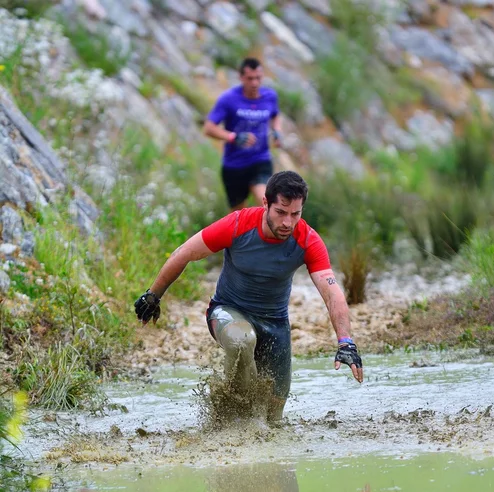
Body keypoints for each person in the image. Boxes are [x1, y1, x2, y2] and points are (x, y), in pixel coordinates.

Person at [134, 170, 363, 422]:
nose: (288, 222)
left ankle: (250, 436)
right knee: (242, 341)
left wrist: (345, 341)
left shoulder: (307, 240)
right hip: (228, 312)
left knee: (273, 419)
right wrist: (153, 296)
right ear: (265, 203)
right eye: (281, 212)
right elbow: (184, 252)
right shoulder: (237, 224)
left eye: (295, 214)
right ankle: (232, 417)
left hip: (275, 325)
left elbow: (331, 292)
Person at [203, 57, 282, 212]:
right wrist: (233, 137)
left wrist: (277, 131)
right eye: (250, 78)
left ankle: (270, 236)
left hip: (260, 160)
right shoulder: (228, 99)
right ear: (241, 78)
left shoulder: (270, 96)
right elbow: (209, 128)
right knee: (238, 217)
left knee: (267, 203)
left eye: (258, 78)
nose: (254, 83)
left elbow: (275, 115)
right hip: (234, 166)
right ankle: (245, 236)